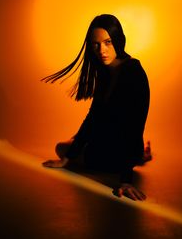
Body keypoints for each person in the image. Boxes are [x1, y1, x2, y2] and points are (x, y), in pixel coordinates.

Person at [42, 14, 152, 201]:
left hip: (114, 153)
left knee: (61, 147)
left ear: (118, 40)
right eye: (96, 44)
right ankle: (138, 155)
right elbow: (94, 116)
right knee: (79, 138)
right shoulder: (106, 70)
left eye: (108, 42)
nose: (102, 50)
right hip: (113, 142)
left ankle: (136, 155)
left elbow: (134, 125)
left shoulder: (134, 73)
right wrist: (68, 160)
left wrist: (126, 180)